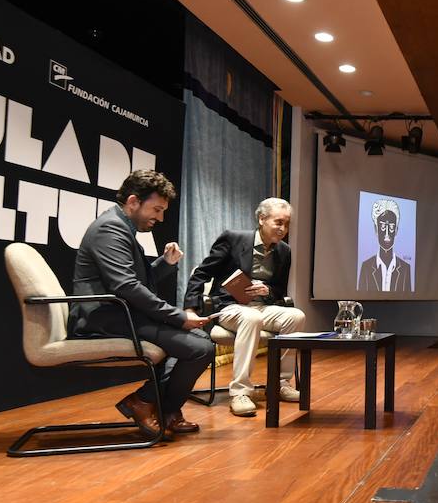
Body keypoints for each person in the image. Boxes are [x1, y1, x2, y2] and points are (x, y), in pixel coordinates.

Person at [69, 170, 214, 439]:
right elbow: (126, 287)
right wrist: (177, 316)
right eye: (156, 209)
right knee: (200, 347)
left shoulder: (121, 226)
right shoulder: (109, 229)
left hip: (120, 312)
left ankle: (164, 410)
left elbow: (135, 282)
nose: (159, 218)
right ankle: (146, 402)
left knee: (199, 341)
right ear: (134, 201)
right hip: (105, 318)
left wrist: (165, 264)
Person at [183, 197, 307, 416]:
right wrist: (190, 308)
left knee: (296, 316)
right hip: (230, 307)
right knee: (251, 318)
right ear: (261, 219)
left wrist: (267, 290)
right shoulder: (233, 239)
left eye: (287, 224)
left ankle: (280, 383)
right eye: (278, 222)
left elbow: (279, 290)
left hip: (262, 307)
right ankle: (240, 392)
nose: (283, 229)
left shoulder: (284, 251)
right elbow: (202, 273)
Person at [357, 198, 413, 293]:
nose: (387, 235)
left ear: (396, 230)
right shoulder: (366, 267)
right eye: (383, 227)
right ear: (376, 229)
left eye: (391, 227)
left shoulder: (405, 269)